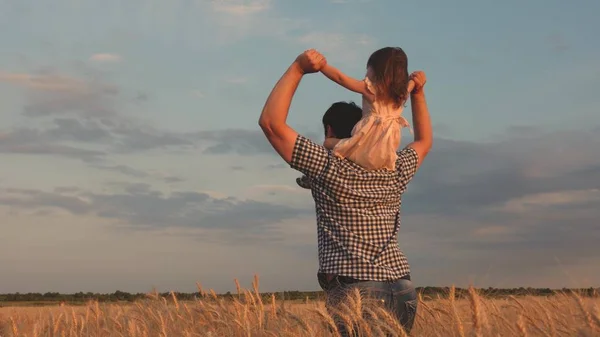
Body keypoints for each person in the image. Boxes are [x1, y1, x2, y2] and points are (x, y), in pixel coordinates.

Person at [258, 49, 433, 335]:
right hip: (403, 288)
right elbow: (424, 141)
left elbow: (271, 124)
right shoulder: (394, 168)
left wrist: (298, 68)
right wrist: (419, 94)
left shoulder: (328, 169)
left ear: (330, 129)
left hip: (357, 292)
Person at [296, 47, 415, 189]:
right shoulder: (401, 97)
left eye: (368, 69)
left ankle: (314, 178)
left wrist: (322, 66)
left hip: (365, 146)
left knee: (328, 143)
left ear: (378, 72)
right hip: (385, 155)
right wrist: (416, 79)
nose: (366, 74)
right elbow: (412, 84)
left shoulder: (371, 90)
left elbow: (340, 78)